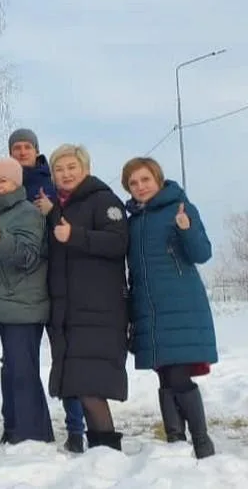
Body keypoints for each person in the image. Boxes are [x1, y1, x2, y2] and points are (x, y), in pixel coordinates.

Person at [122, 157, 216, 459]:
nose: (140, 187)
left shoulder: (181, 208)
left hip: (181, 305)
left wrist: (186, 228)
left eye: (145, 180)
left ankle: (201, 441)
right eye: (133, 183)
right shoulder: (133, 220)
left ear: (158, 179)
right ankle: (175, 439)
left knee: (177, 375)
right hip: (148, 308)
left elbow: (202, 253)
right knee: (164, 375)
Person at [46, 144, 128, 451]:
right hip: (72, 313)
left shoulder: (104, 201)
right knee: (82, 386)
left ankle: (108, 452)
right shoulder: (62, 206)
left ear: (86, 169)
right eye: (59, 169)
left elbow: (119, 242)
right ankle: (101, 453)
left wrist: (76, 236)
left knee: (92, 388)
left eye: (72, 167)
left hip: (98, 311)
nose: (65, 174)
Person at [7, 128, 84, 452]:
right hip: (18, 287)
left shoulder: (49, 181)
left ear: (36, 151)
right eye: (16, 147)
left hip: (55, 281)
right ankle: (15, 424)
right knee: (15, 360)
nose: (22, 151)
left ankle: (75, 428)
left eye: (27, 147)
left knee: (65, 357)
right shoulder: (0, 183)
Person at [0, 157, 53, 444]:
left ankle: (31, 436)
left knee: (22, 371)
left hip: (23, 305)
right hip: (4, 305)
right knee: (12, 371)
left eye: (2, 180)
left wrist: (0, 240)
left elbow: (29, 257)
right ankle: (15, 429)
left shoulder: (27, 214)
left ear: (17, 182)